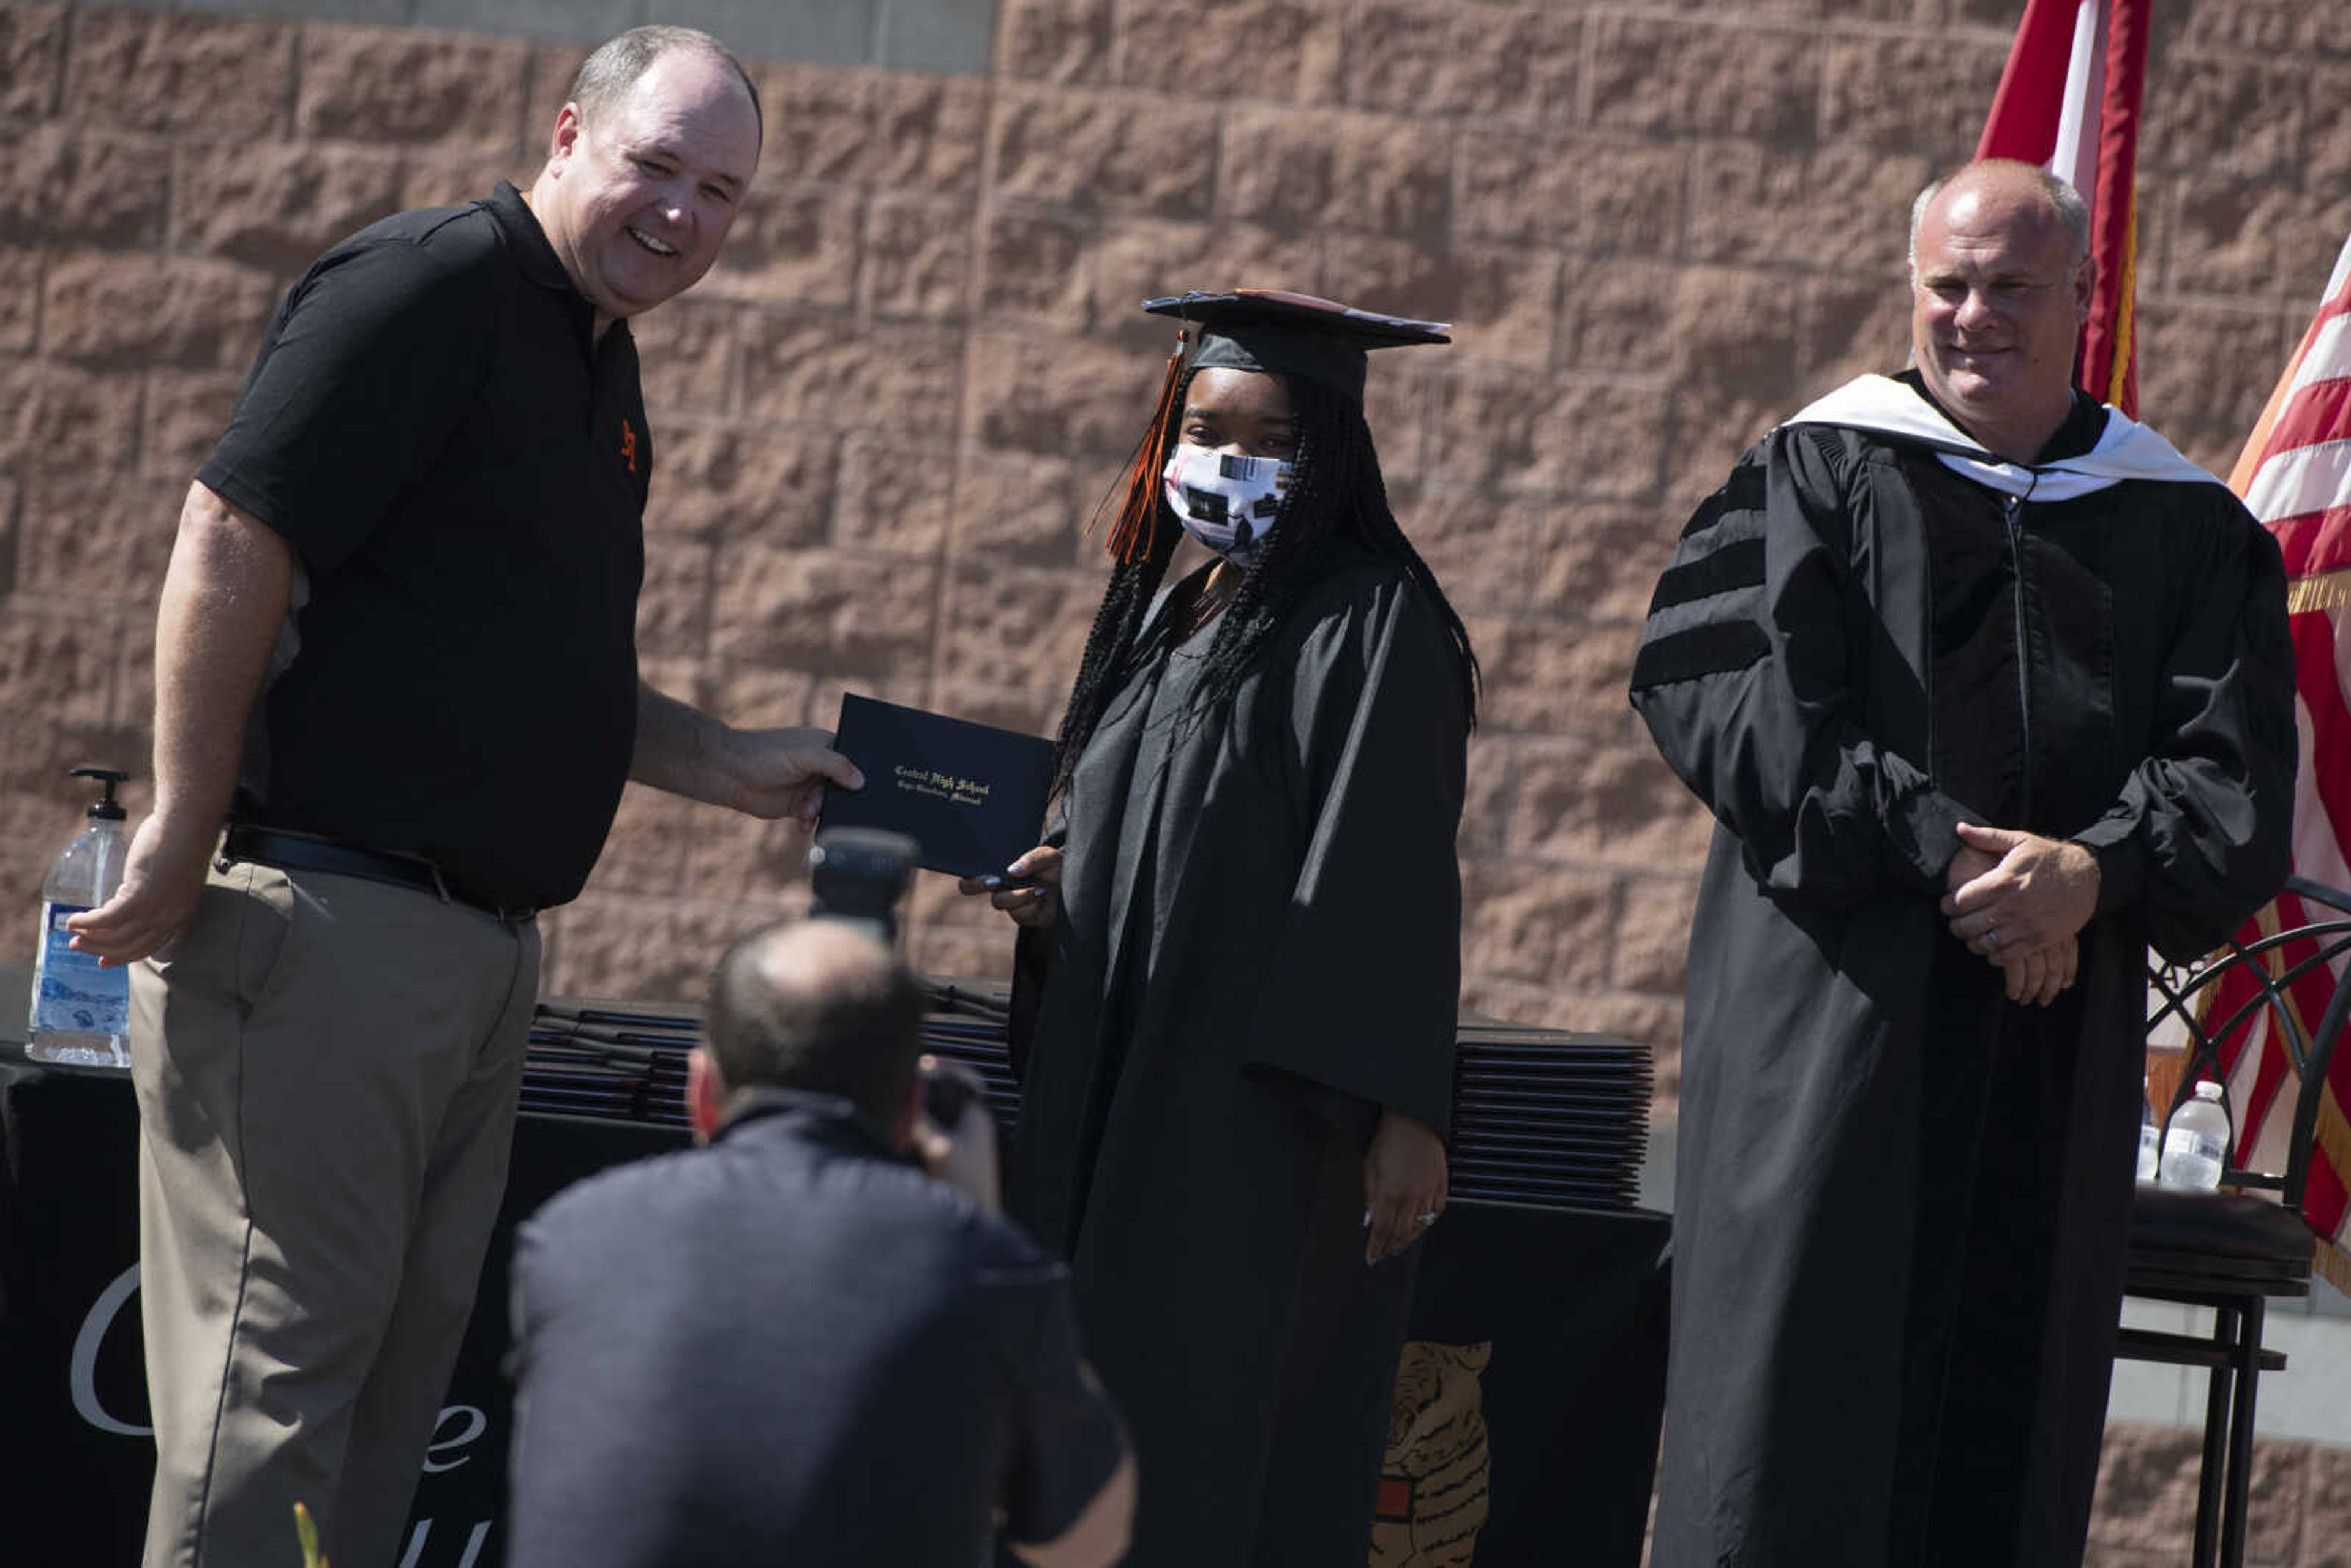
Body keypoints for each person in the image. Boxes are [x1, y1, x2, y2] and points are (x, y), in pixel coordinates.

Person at [65, 28, 864, 1568]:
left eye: (720, 191)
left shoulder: (595, 361)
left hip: (477, 956)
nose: (682, 214)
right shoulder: (427, 284)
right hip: (322, 930)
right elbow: (231, 528)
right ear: (568, 133)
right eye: (655, 166)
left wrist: (721, 758)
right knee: (274, 1403)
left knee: (380, 1414)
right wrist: (178, 816)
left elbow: (522, 660)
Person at [1629, 159, 2296, 1566]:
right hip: (1829, 1046)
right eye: (1947, 283)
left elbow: (2231, 778)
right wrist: (1946, 853)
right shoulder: (1812, 469)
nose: (1972, 312)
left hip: (2045, 1069)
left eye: (2008, 285)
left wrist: (2091, 874)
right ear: (1910, 290)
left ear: (2079, 299)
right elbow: (1721, 698)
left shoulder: (2181, 523)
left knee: (1999, 1454)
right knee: (1786, 1429)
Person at [961, 288, 1479, 1566]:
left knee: (1202, 1434)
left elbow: (1394, 874)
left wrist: (1408, 1108)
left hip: (1251, 1124)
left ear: (1330, 457)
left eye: (1266, 436)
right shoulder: (1171, 609)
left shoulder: (1374, 620)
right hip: (1111, 1089)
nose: (1223, 461)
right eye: (1202, 426)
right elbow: (1146, 837)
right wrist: (1055, 899)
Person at [504, 920, 1135, 1568]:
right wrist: (977, 1217)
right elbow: (1086, 1542)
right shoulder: (977, 1261)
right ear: (911, 1109)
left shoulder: (570, 1231)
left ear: (700, 1094)